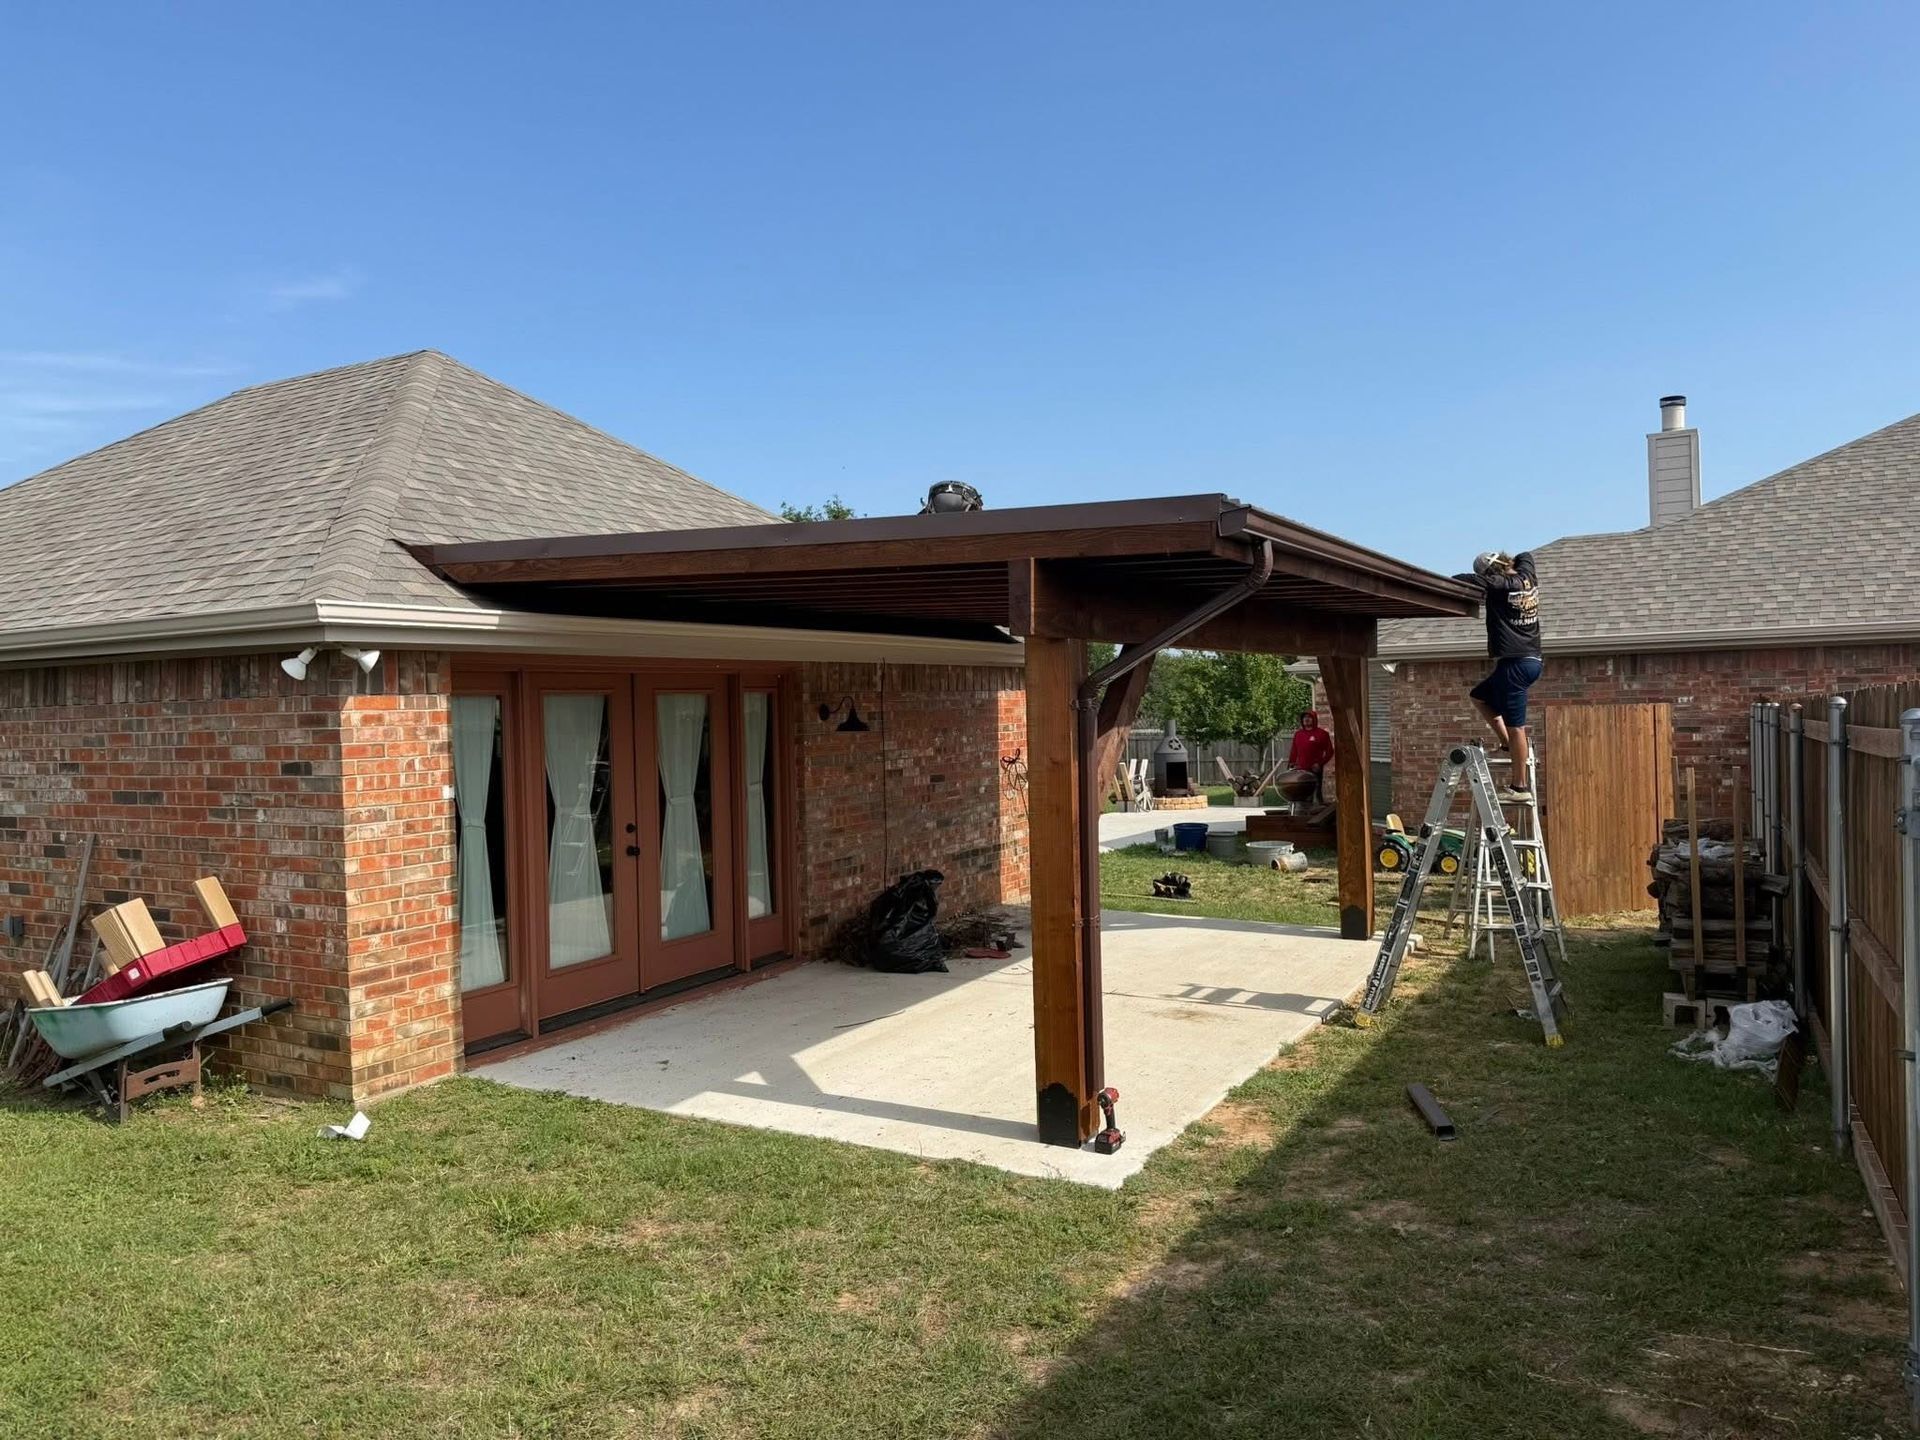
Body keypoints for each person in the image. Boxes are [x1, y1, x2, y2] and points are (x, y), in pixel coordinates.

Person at [1457, 549, 1543, 802]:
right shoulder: (1527, 574)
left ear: (1489, 573)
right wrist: (1509, 563)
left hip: (1514, 665)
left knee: (1517, 728)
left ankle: (1520, 787)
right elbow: (1525, 554)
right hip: (1531, 660)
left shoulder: (1497, 585)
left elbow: (1466, 579)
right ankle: (1506, 744)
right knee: (1479, 696)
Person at [1285, 709, 1334, 801]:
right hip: (1300, 770)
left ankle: (1318, 808)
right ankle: (1302, 809)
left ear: (1314, 719)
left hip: (1314, 770)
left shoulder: (1322, 734)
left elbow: (1329, 752)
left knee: (1315, 794)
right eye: (1304, 717)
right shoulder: (1298, 734)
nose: (1306, 719)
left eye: (1309, 717)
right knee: (1302, 795)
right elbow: (1294, 751)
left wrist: (1320, 764)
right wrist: (1291, 764)